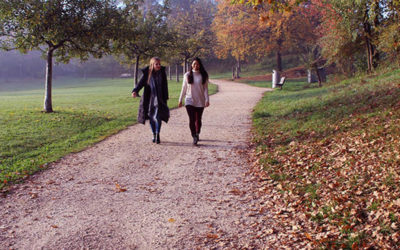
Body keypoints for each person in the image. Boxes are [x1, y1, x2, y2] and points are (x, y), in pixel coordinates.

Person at [132, 57, 169, 144]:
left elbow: (165, 86)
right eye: (157, 64)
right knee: (152, 118)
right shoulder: (147, 74)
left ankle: (158, 133)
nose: (159, 65)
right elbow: (140, 84)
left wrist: (166, 97)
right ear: (152, 64)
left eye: (159, 64)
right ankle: (154, 134)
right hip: (150, 99)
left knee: (158, 117)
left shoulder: (162, 73)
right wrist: (135, 91)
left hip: (160, 99)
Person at [178, 57, 210, 145]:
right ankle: (194, 136)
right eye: (194, 64)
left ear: (200, 65)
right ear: (191, 65)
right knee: (191, 119)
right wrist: (180, 99)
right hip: (189, 100)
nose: (196, 65)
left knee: (198, 119)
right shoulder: (187, 75)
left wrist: (207, 100)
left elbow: (205, 89)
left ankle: (197, 132)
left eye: (197, 64)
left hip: (200, 100)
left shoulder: (203, 75)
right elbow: (183, 88)